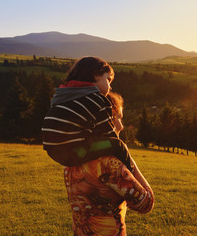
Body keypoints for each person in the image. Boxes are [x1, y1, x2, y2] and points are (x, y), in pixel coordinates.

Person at [64, 92, 154, 236]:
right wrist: (129, 160)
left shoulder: (72, 160)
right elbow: (146, 203)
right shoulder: (109, 165)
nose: (121, 126)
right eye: (119, 118)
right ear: (107, 119)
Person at [41, 57, 132, 170]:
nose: (110, 86)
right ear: (96, 76)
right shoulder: (97, 99)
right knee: (118, 146)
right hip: (75, 151)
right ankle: (131, 180)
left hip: (53, 151)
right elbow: (109, 135)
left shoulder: (65, 95)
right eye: (108, 80)